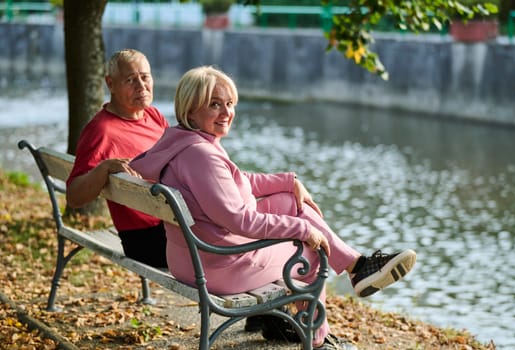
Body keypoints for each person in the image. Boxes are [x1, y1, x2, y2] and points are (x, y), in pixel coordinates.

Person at [130, 66, 417, 349]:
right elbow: (239, 220)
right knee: (312, 252)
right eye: (214, 105)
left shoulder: (182, 141)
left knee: (289, 201)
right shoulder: (201, 155)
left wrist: (288, 181)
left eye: (229, 104)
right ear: (191, 110)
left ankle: (357, 267)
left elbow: (236, 181)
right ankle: (317, 337)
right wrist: (303, 229)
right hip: (218, 265)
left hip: (192, 256)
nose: (226, 112)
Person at [66, 49, 169, 268]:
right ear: (110, 84)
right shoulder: (102, 131)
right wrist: (104, 168)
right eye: (131, 80)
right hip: (147, 241)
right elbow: (74, 197)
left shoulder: (153, 115)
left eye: (145, 77)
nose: (141, 86)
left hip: (171, 225)